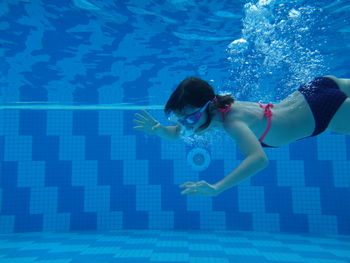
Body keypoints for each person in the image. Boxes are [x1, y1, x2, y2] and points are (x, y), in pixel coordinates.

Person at [133, 76, 350, 197]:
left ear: (208, 106)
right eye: (179, 119)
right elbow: (179, 133)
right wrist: (158, 129)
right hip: (315, 88)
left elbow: (259, 159)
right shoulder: (214, 110)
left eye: (188, 119)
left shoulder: (232, 121)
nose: (184, 125)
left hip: (322, 112)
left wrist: (217, 187)